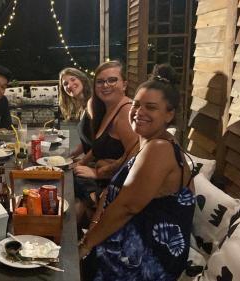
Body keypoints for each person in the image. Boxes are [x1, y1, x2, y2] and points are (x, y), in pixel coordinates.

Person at [79, 64, 195, 280]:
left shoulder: (158, 148)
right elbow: (111, 196)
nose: (139, 112)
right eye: (137, 105)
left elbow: (126, 207)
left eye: (150, 107)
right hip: (132, 238)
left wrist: (86, 245)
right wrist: (93, 228)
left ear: (169, 115)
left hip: (150, 257)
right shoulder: (145, 144)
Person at [73, 61, 138, 227]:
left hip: (118, 188)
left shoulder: (125, 111)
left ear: (124, 84)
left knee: (72, 195)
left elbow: (135, 155)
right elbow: (98, 149)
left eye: (112, 80)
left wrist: (97, 173)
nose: (105, 85)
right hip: (105, 181)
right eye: (100, 82)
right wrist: (80, 162)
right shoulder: (107, 108)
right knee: (68, 180)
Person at [58, 67, 94, 157]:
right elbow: (87, 142)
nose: (69, 85)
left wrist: (82, 162)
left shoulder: (92, 104)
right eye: (65, 84)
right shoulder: (82, 106)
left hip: (100, 163)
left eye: (73, 79)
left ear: (82, 79)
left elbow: (99, 143)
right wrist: (70, 156)